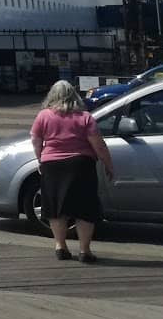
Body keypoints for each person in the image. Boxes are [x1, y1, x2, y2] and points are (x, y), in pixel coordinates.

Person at [30, 79, 115, 262]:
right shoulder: (85, 117)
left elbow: (36, 141)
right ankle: (85, 250)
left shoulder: (43, 116)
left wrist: (40, 159)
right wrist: (108, 165)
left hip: (52, 166)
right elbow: (99, 145)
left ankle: (61, 246)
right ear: (75, 96)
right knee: (85, 208)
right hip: (81, 165)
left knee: (56, 207)